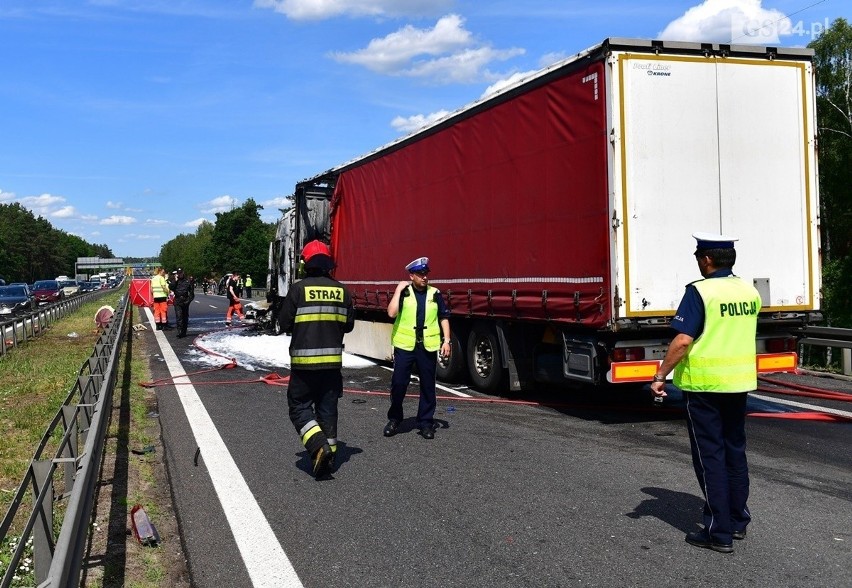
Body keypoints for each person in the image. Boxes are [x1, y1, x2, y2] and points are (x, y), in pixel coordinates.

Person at [650, 232, 762, 554]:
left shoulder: (699, 292)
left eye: (698, 257)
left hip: (705, 387)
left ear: (706, 260)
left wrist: (660, 375)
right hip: (738, 384)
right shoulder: (748, 291)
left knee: (710, 457)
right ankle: (738, 522)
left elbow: (683, 340)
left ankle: (718, 532)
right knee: (735, 453)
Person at [280, 240, 355, 478]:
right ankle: (328, 457)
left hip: (304, 365)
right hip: (332, 365)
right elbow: (349, 325)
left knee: (299, 406)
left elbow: (284, 323)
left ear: (306, 264)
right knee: (327, 409)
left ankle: (318, 446)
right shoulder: (342, 291)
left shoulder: (298, 289)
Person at [383, 257, 451, 440]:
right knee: (398, 384)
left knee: (428, 386)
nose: (424, 277)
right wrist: (398, 290)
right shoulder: (404, 293)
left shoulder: (434, 293)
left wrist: (447, 341)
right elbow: (391, 313)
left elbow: (443, 317)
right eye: (420, 274)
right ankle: (395, 418)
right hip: (405, 346)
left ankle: (426, 422)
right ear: (411, 276)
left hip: (427, 346)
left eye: (426, 274)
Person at [172, 269, 195, 338]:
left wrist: (188, 301)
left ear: (183, 273)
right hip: (177, 300)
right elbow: (171, 287)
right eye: (178, 274)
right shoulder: (175, 281)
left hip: (185, 300)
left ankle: (184, 332)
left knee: (185, 317)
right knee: (179, 316)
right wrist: (175, 281)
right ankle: (179, 332)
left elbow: (191, 294)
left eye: (180, 273)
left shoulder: (187, 281)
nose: (179, 275)